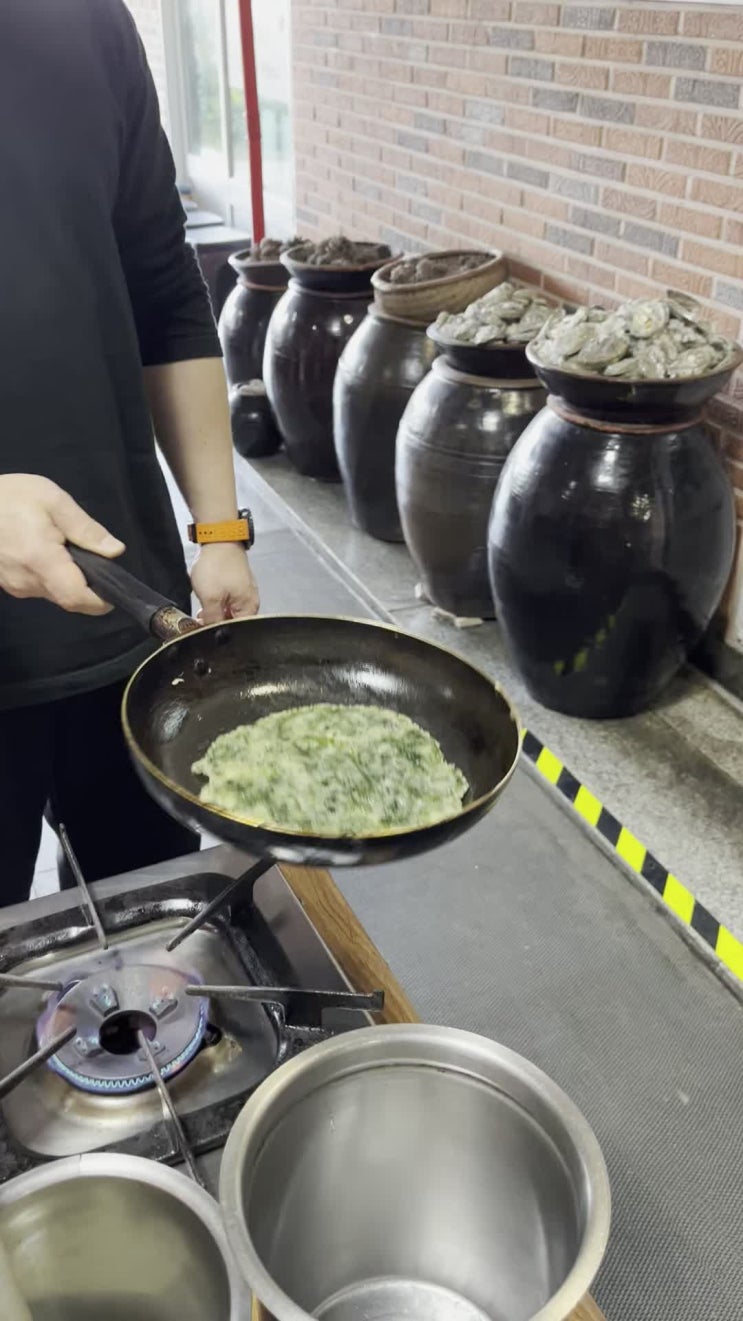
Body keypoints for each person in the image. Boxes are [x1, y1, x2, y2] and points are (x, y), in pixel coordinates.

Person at [0, 0, 260, 906]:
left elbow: (163, 289)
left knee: (158, 914)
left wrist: (219, 531)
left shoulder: (86, 21)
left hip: (126, 612)